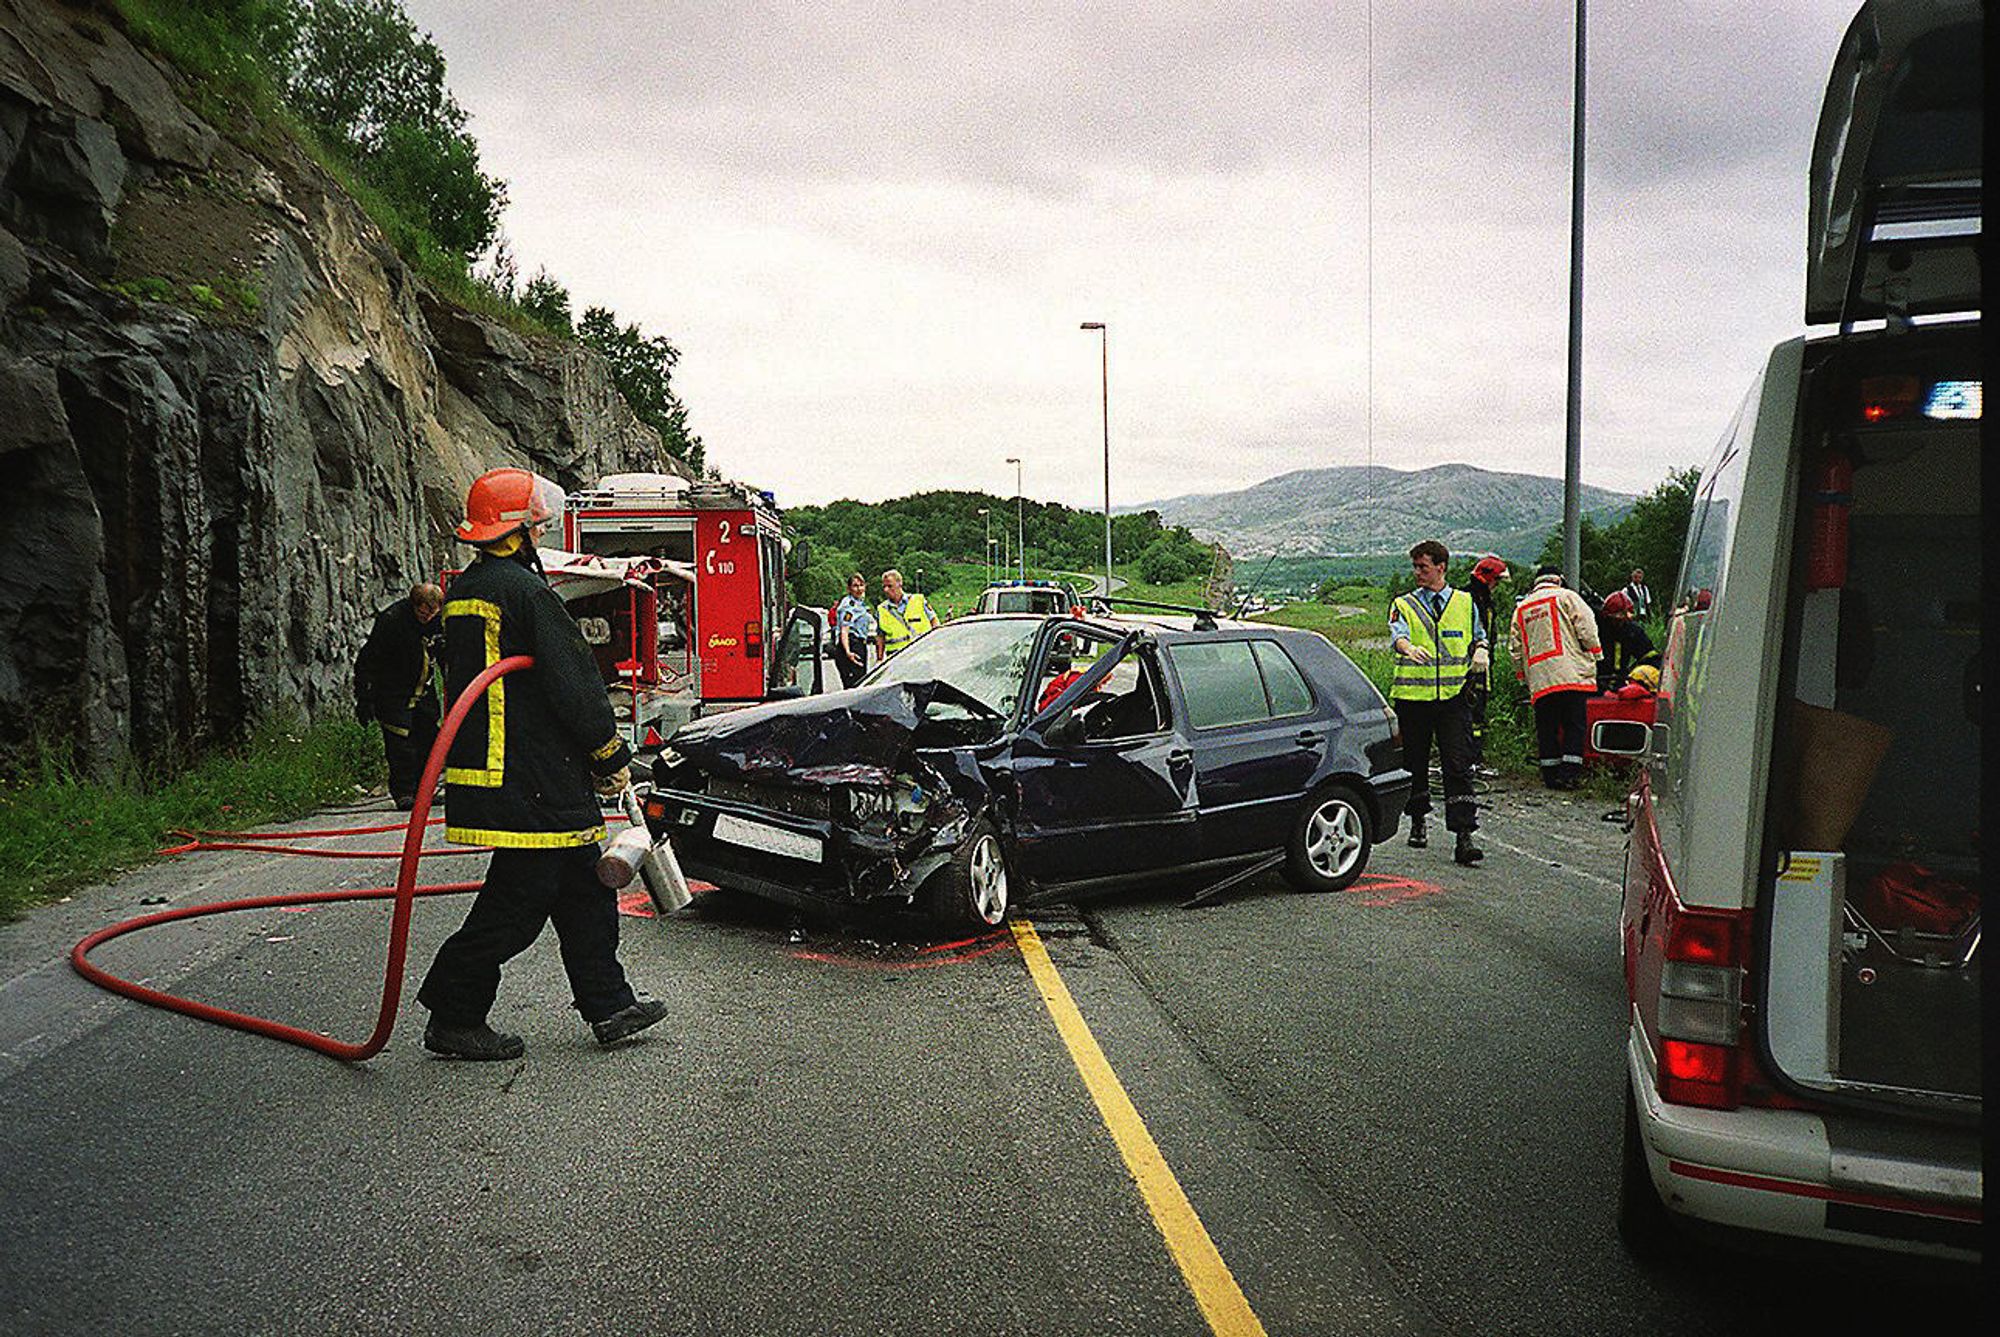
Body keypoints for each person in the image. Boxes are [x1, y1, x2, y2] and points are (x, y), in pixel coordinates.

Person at [416, 467, 669, 1061]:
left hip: (506, 773)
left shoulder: (466, 590)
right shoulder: (527, 594)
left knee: (584, 889)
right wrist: (610, 754)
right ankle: (454, 1013)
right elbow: (573, 684)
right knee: (516, 907)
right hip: (534, 778)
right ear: (522, 531)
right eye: (537, 524)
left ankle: (610, 1004)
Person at [1387, 540, 1486, 865]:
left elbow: (1477, 634)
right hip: (1414, 699)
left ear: (1441, 567)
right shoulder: (1404, 603)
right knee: (1413, 762)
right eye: (1415, 567)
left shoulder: (1464, 602)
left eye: (1423, 567)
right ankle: (1417, 820)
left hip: (1453, 698)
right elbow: (1397, 633)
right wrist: (1405, 647)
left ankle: (1464, 835)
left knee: (1458, 764)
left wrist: (1481, 650)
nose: (1417, 573)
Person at [1508, 565, 1602, 790]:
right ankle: (1569, 774)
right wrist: (1596, 652)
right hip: (1570, 674)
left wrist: (1524, 676)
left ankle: (1550, 774)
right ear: (1558, 580)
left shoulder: (1521, 608)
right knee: (1573, 724)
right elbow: (1587, 628)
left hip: (1540, 679)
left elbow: (1515, 649)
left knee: (1546, 726)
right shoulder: (1568, 597)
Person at [354, 582, 444, 810]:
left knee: (428, 740)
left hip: (423, 690)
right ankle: (404, 793)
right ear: (414, 606)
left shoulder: (439, 623)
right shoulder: (392, 621)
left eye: (432, 611)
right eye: (423, 611)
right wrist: (364, 698)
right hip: (393, 690)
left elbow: (444, 654)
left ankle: (425, 791)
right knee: (400, 744)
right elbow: (368, 660)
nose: (427, 616)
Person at [1465, 554, 1510, 776]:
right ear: (1487, 578)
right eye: (1497, 581)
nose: (1497, 586)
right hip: (1470, 667)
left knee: (1478, 712)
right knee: (1472, 713)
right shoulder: (1470, 599)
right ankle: (1469, 759)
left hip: (1482, 664)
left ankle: (1474, 758)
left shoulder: (1484, 600)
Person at [1595, 589, 1656, 691]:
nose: (1620, 624)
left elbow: (1650, 656)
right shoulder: (1595, 629)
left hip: (1622, 686)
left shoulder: (1633, 632)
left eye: (1623, 620)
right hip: (1595, 685)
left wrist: (1637, 675)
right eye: (1616, 620)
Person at [875, 568, 939, 660]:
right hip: (896, 657)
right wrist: (880, 659)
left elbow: (934, 621)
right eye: (884, 587)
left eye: (890, 586)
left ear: (899, 583)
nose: (886, 590)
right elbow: (880, 637)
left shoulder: (918, 600)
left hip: (922, 652)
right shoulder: (882, 609)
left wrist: (936, 644)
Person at [832, 572, 876, 689]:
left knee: (861, 683)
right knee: (855, 686)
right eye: (855, 586)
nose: (859, 589)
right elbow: (844, 630)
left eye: (861, 585)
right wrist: (848, 652)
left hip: (859, 644)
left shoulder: (860, 604)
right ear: (849, 588)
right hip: (851, 645)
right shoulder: (849, 605)